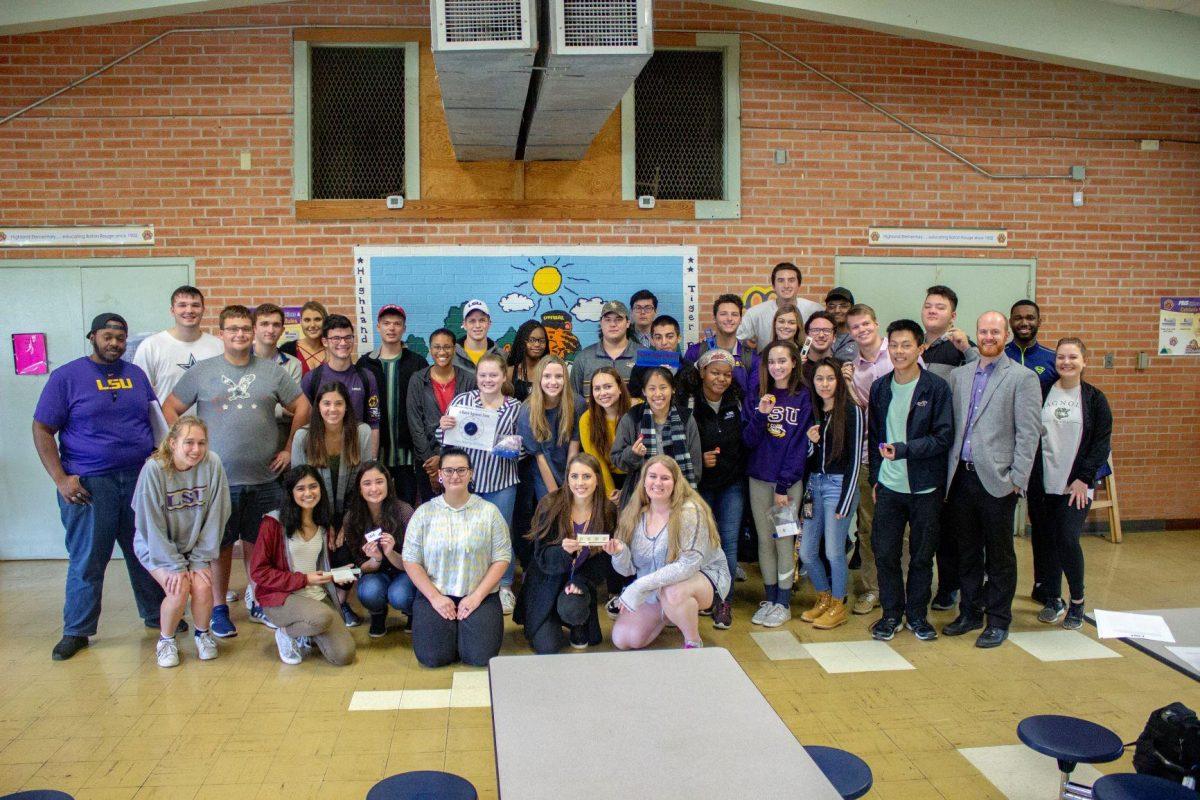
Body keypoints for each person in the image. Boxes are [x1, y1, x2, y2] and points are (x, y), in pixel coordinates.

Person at [165, 304, 310, 638]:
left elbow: (302, 406)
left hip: (264, 477)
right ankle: (219, 608)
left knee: (258, 544)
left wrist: (289, 447)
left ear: (253, 331)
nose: (240, 335)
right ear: (221, 333)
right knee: (220, 546)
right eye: (233, 329)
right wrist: (188, 449)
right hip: (218, 480)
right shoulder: (203, 371)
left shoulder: (273, 372)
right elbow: (170, 407)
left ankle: (259, 599)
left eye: (245, 329)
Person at [33, 313, 169, 661]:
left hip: (138, 479)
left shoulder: (135, 375)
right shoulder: (67, 377)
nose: (115, 344)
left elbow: (154, 422)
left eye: (120, 338)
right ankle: (76, 630)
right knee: (89, 559)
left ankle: (156, 615)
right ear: (93, 337)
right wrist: (61, 479)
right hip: (90, 484)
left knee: (144, 552)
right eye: (108, 337)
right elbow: (42, 428)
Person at [941, 312, 1042, 649]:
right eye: (982, 331)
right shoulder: (960, 375)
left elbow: (1029, 433)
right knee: (966, 551)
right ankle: (969, 612)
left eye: (994, 331)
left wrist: (1018, 478)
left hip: (998, 480)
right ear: (976, 334)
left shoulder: (1022, 378)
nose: (988, 337)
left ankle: (998, 619)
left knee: (999, 555)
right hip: (961, 478)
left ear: (1005, 334)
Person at [867, 319, 953, 643]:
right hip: (889, 487)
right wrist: (877, 475)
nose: (899, 351)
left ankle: (917, 615)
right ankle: (891, 614)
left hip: (925, 487)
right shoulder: (880, 387)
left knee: (920, 555)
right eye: (894, 345)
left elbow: (942, 437)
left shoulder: (936, 388)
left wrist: (904, 450)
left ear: (920, 348)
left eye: (907, 345)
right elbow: (874, 435)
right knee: (885, 552)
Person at [132, 416, 231, 667]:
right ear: (173, 443)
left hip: (194, 546)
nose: (196, 450)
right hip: (156, 547)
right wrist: (174, 565)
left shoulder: (213, 464)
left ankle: (203, 633)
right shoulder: (154, 470)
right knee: (178, 590)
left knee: (202, 585)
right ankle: (166, 640)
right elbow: (149, 525)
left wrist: (200, 560)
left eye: (201, 443)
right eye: (188, 442)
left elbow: (217, 514)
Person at [1028, 338, 1112, 631]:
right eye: (1061, 357)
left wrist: (1083, 478)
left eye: (1073, 357)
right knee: (1045, 541)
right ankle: (1053, 598)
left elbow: (1101, 444)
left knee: (1066, 538)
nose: (1066, 362)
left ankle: (1077, 600)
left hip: (1075, 486)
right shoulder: (1042, 392)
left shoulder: (1094, 399)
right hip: (1043, 484)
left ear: (1084, 361)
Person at [401, 448, 512, 667]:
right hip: (436, 594)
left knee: (480, 658)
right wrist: (435, 597)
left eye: (461, 470)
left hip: (479, 594)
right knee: (433, 658)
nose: (455, 476)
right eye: (449, 470)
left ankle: (466, 631)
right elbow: (411, 559)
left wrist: (477, 596)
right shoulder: (423, 513)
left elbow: (502, 557)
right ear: (440, 475)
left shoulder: (489, 512)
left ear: (471, 474)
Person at [606, 456, 731, 650]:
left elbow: (688, 565)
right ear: (644, 481)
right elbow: (626, 570)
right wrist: (619, 553)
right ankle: (669, 613)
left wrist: (638, 587)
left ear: (676, 482)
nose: (657, 483)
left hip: (702, 578)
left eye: (665, 478)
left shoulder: (689, 511)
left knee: (673, 592)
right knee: (623, 640)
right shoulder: (635, 514)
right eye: (652, 476)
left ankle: (693, 641)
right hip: (655, 587)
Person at [437, 352, 523, 614]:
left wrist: (512, 448)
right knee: (466, 534)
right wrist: (443, 425)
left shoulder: (516, 407)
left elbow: (526, 447)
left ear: (504, 376)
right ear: (477, 377)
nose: (488, 380)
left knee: (502, 534)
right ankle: (471, 585)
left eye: (493, 375)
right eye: (483, 375)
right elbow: (444, 438)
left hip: (502, 481)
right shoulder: (464, 400)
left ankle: (505, 586)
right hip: (467, 484)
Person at [249, 466, 356, 666]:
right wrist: (304, 580)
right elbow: (258, 572)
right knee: (322, 617)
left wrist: (335, 575)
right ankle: (285, 633)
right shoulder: (272, 523)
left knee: (344, 655)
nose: (308, 493)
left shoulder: (322, 523)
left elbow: (316, 568)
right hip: (282, 598)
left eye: (313, 486)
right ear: (290, 492)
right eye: (300, 488)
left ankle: (307, 632)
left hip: (315, 595)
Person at [743, 339, 812, 627]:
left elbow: (799, 447)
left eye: (782, 361)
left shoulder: (803, 396)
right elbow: (748, 440)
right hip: (758, 479)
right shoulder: (759, 394)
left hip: (787, 485)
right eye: (771, 362)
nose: (777, 367)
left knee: (784, 542)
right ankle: (769, 598)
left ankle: (784, 602)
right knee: (764, 541)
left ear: (794, 362)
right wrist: (761, 414)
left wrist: (784, 486)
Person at [291, 381, 373, 626]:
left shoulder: (361, 433)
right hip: (312, 511)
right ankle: (315, 601)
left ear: (347, 406)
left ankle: (341, 601)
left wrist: (346, 524)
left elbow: (364, 484)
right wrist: (324, 524)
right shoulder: (303, 437)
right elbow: (298, 488)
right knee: (319, 546)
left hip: (351, 510)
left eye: (339, 403)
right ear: (318, 407)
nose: (333, 409)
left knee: (346, 548)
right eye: (326, 403)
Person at [519, 454, 616, 653]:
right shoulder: (550, 504)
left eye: (586, 476)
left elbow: (604, 560)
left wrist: (579, 582)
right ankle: (550, 617)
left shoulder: (607, 510)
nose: (580, 483)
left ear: (597, 478)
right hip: (546, 582)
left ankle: (576, 621)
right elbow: (539, 556)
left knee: (580, 619)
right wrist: (562, 551)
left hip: (578, 582)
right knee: (549, 647)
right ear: (567, 478)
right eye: (574, 476)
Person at [799, 358, 865, 631]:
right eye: (819, 379)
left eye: (830, 378)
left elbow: (855, 460)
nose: (824, 384)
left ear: (839, 381)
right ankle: (824, 597)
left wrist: (846, 500)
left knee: (834, 551)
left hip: (839, 487)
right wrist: (811, 443)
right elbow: (809, 460)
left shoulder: (852, 411)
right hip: (815, 485)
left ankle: (838, 604)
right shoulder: (815, 412)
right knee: (807, 552)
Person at [843, 303, 896, 615]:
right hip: (867, 458)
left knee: (901, 528)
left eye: (865, 324)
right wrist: (848, 384)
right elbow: (861, 412)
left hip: (903, 459)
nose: (861, 331)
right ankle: (871, 589)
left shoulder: (900, 355)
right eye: (855, 327)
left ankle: (898, 587)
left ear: (876, 324)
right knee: (868, 527)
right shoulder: (854, 367)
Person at [691, 349, 745, 630]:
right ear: (702, 373)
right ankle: (703, 595)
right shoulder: (689, 405)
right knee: (702, 543)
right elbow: (684, 443)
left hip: (732, 484)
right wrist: (700, 457)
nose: (720, 379)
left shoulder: (737, 402)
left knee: (729, 543)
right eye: (715, 372)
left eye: (726, 374)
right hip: (700, 485)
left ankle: (724, 601)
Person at [357, 304, 428, 506]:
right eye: (386, 323)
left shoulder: (417, 363)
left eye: (397, 324)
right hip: (376, 452)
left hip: (407, 454)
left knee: (407, 506)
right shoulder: (365, 364)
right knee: (377, 507)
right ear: (378, 326)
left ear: (404, 328)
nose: (391, 328)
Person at [342, 461, 416, 638]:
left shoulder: (404, 512)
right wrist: (376, 559)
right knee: (369, 591)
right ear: (359, 489)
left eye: (379, 482)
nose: (374, 488)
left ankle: (413, 613)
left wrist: (391, 553)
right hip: (374, 573)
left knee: (400, 594)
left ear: (389, 484)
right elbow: (360, 568)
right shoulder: (352, 518)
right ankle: (377, 614)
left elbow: (414, 563)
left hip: (404, 571)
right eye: (367, 483)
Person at [407, 328, 476, 503]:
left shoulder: (469, 379)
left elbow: (472, 423)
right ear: (430, 349)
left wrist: (444, 459)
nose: (442, 352)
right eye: (437, 347)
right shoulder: (417, 380)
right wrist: (432, 465)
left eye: (447, 347)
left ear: (455, 349)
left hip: (461, 460)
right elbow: (415, 424)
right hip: (426, 460)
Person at [300, 314, 381, 458]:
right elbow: (305, 422)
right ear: (325, 341)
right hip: (322, 455)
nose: (343, 342)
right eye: (336, 338)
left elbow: (373, 423)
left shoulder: (366, 378)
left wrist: (372, 461)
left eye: (348, 337)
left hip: (356, 454)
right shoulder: (312, 378)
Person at [612, 366, 702, 493]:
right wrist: (633, 454)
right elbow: (616, 458)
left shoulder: (686, 418)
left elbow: (695, 465)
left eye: (663, 388)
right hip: (640, 493)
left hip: (680, 492)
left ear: (673, 389)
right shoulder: (632, 417)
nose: (658, 394)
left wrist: (673, 490)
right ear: (644, 391)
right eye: (652, 389)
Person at [133, 285, 224, 401]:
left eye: (195, 305)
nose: (189, 310)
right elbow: (139, 393)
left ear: (203, 310)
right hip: (166, 419)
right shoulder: (151, 346)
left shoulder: (219, 346)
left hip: (209, 419)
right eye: (182, 305)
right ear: (172, 310)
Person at [518, 355, 583, 500]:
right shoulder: (527, 411)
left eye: (559, 376)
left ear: (565, 379)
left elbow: (574, 449)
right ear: (539, 379)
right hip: (544, 471)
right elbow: (540, 458)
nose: (553, 382)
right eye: (547, 376)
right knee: (552, 510)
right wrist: (556, 495)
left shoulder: (577, 403)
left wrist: (569, 486)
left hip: (571, 468)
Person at [252, 303, 304, 453]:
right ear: (254, 328)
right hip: (248, 434)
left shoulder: (293, 364)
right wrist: (279, 408)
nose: (270, 329)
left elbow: (293, 408)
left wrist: (255, 403)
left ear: (282, 330)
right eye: (264, 324)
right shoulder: (241, 361)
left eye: (276, 325)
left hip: (282, 435)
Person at [579, 367, 637, 501]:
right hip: (606, 478)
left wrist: (631, 490)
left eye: (608, 387)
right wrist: (611, 494)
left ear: (620, 388)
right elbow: (597, 461)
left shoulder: (638, 409)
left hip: (638, 477)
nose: (602, 393)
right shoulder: (587, 420)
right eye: (597, 388)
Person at [737, 262, 824, 350]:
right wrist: (749, 347)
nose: (786, 285)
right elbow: (736, 338)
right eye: (780, 280)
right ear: (773, 286)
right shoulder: (755, 313)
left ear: (799, 285)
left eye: (791, 280)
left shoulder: (815, 310)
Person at [684, 293, 754, 392]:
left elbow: (752, 397)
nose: (729, 318)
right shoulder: (695, 352)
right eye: (723, 314)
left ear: (740, 319)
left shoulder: (751, 357)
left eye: (734, 314)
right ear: (714, 318)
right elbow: (685, 390)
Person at [570, 300, 639, 397]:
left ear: (627, 323)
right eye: (607, 319)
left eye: (618, 319)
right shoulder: (583, 358)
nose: (613, 324)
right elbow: (574, 399)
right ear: (601, 323)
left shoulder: (643, 355)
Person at [627, 315, 701, 403]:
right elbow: (633, 399)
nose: (664, 342)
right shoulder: (640, 367)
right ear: (652, 341)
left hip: (681, 416)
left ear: (678, 338)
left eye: (669, 336)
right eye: (658, 337)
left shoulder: (689, 368)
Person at [745, 302, 804, 396]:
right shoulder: (764, 354)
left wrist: (800, 367)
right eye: (781, 321)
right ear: (775, 323)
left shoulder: (806, 354)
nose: (785, 326)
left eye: (791, 322)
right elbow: (755, 388)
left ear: (798, 326)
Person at [921, 285, 978, 381]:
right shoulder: (912, 344)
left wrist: (966, 349)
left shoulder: (964, 345)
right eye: (927, 306)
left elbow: (983, 377)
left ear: (953, 316)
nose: (932, 311)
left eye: (940, 308)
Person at [1006, 299, 1059, 389]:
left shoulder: (1053, 359)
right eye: (1018, 318)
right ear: (1010, 322)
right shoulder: (999, 356)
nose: (1024, 323)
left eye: (1030, 318)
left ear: (1039, 322)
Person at [279, 300, 328, 375]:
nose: (312, 325)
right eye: (307, 320)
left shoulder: (334, 349)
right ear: (301, 322)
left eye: (317, 319)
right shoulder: (287, 350)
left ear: (325, 321)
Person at [506, 320, 549, 402]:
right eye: (531, 340)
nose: (537, 344)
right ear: (522, 341)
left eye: (541, 340)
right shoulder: (510, 373)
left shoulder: (550, 371)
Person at [453, 299, 499, 371]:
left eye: (482, 320)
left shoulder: (501, 355)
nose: (477, 325)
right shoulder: (451, 355)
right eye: (472, 321)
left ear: (489, 323)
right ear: (464, 324)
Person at [800, 311, 842, 385]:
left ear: (834, 337)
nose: (821, 335)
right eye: (815, 330)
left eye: (827, 330)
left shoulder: (841, 368)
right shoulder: (796, 365)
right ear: (807, 336)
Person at [824, 286, 859, 362]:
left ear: (852, 309)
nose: (837, 310)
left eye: (843, 306)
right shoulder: (819, 336)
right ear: (826, 309)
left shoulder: (860, 337)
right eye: (831, 306)